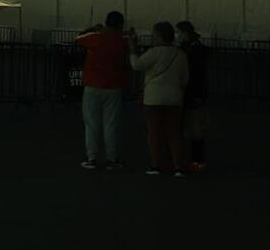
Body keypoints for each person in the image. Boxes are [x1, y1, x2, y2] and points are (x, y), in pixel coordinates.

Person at [129, 22, 190, 178]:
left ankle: (156, 165)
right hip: (175, 98)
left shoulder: (154, 53)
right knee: (174, 133)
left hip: (153, 97)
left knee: (154, 133)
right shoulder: (180, 55)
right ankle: (178, 166)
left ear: (160, 36)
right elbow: (185, 79)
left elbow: (137, 65)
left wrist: (132, 50)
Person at [75, 11, 131, 170]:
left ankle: (91, 158)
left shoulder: (95, 38)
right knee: (111, 124)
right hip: (114, 87)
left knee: (91, 124)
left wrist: (93, 28)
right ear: (121, 25)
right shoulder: (122, 42)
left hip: (92, 86)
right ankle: (112, 159)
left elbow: (78, 38)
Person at [176, 21, 209, 172]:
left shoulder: (191, 50)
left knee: (190, 128)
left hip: (190, 93)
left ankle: (194, 159)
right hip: (194, 93)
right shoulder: (197, 49)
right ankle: (196, 160)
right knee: (195, 128)